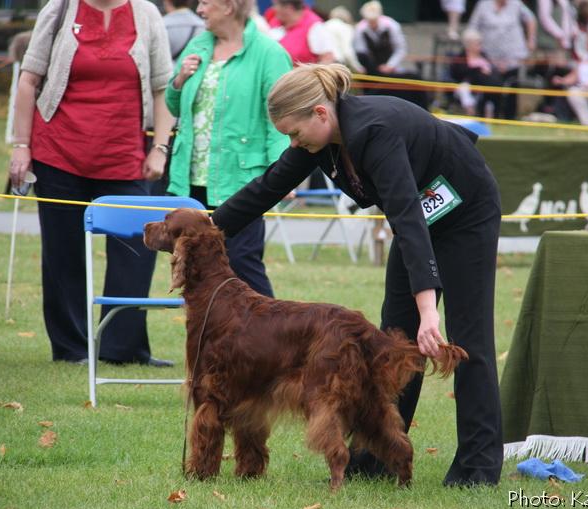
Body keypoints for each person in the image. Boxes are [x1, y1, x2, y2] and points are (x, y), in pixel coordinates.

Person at [211, 64, 503, 487]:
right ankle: (379, 454)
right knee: (394, 339)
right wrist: (205, 230)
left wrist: (429, 312)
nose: (292, 143)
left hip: (464, 211)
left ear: (320, 113)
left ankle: (477, 470)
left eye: (294, 133)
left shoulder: (374, 132)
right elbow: (267, 187)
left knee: (466, 339)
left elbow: (405, 216)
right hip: (419, 216)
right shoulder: (322, 142)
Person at [8, 0, 176, 366]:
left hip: (125, 156)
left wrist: (160, 148)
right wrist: (22, 146)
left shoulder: (146, 14)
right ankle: (72, 349)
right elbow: (29, 80)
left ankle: (123, 349)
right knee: (63, 256)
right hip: (58, 154)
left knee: (137, 253)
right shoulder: (60, 8)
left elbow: (164, 88)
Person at [166, 0, 291, 297]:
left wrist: (286, 171)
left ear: (229, 6)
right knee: (197, 268)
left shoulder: (269, 54)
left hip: (241, 179)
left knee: (243, 264)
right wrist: (180, 79)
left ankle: (271, 339)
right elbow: (174, 105)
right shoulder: (198, 45)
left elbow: (283, 115)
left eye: (206, 3)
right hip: (192, 176)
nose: (199, 9)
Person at [467, 0, 537, 120]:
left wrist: (531, 39)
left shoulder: (516, 4)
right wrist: (473, 50)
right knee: (492, 88)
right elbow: (472, 28)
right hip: (489, 58)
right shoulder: (483, 5)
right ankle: (489, 117)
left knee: (513, 86)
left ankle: (509, 119)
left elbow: (531, 18)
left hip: (513, 56)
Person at [449, 28, 503, 116]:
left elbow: (492, 69)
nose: (480, 45)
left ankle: (490, 116)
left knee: (493, 88)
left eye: (480, 43)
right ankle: (470, 112)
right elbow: (457, 73)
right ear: (468, 44)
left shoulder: (483, 55)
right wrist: (478, 70)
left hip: (485, 85)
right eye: (477, 43)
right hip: (467, 85)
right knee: (464, 88)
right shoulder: (461, 57)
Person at [266, 0, 335, 64]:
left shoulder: (314, 26)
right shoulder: (275, 22)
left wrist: (308, 75)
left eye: (275, 5)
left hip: (301, 76)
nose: (273, 9)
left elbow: (327, 59)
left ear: (289, 8)